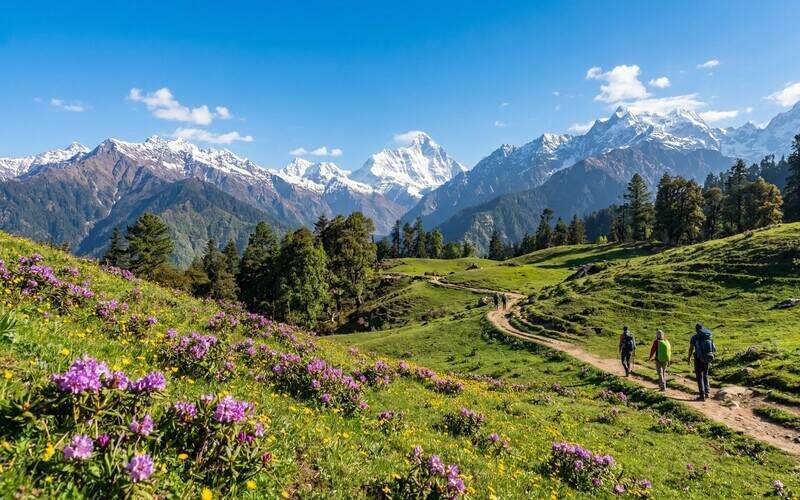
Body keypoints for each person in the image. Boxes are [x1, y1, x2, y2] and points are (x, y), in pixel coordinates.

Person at [687, 323, 716, 401]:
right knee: (705, 374)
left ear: (696, 329)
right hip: (708, 356)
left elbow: (691, 348)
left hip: (698, 358)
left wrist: (689, 357)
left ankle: (702, 395)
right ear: (703, 328)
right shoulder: (708, 335)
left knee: (699, 376)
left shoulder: (695, 337)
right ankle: (707, 393)